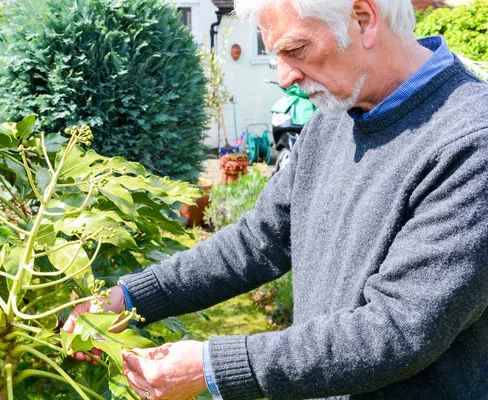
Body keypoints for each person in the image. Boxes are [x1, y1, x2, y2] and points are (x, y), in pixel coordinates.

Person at [63, 0, 488, 398]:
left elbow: (396, 330)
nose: (285, 77)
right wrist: (131, 296)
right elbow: (257, 240)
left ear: (363, 17)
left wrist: (211, 366)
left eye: (296, 49)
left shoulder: (470, 143)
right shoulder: (334, 119)